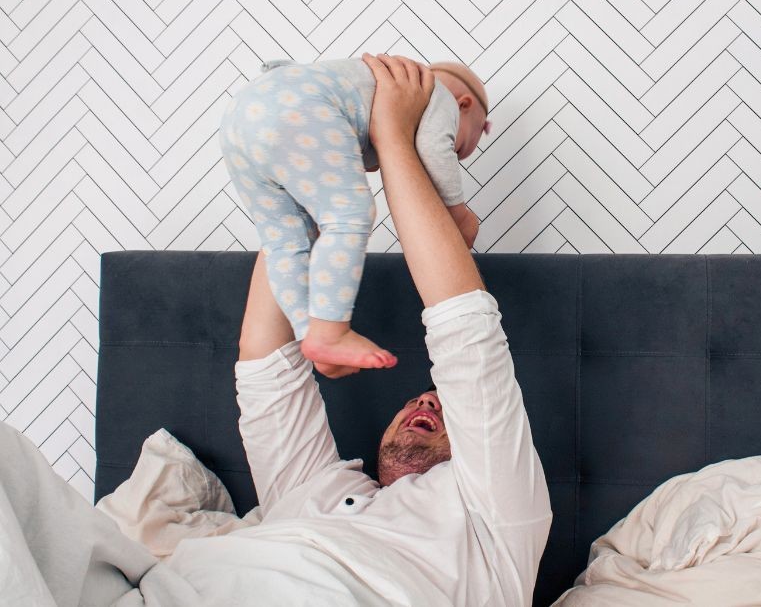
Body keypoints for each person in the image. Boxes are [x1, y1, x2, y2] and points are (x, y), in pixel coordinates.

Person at [0, 52, 551, 607]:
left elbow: (465, 333)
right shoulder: (317, 487)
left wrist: (393, 138)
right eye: (424, 398)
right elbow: (271, 359)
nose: (426, 400)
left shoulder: (496, 515)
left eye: (443, 405)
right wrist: (311, 159)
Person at [219, 56, 489, 375]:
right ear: (465, 105)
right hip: (300, 109)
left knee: (284, 242)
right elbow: (433, 147)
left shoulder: (372, 83)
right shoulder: (435, 94)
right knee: (349, 214)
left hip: (241, 118)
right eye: (460, 148)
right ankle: (331, 332)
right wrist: (457, 212)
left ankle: (311, 335)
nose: (455, 154)